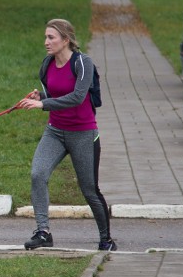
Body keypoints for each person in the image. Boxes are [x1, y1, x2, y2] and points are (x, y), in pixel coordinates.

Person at [16, 19, 117, 252]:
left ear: (66, 39)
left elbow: (77, 97)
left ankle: (106, 239)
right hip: (55, 131)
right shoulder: (47, 64)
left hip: (83, 133)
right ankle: (43, 232)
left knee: (89, 189)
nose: (46, 42)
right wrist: (41, 96)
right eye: (45, 37)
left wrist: (44, 105)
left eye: (51, 37)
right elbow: (53, 92)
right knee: (37, 174)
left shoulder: (83, 63)